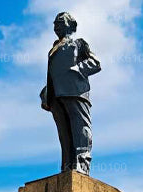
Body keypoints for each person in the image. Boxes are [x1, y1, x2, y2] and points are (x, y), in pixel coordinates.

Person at [40, 12, 101, 174]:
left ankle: (82, 166)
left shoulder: (78, 44)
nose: (56, 26)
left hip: (76, 92)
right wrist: (47, 91)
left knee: (80, 130)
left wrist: (77, 70)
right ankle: (67, 167)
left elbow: (95, 62)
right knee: (64, 134)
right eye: (55, 23)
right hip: (57, 96)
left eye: (60, 22)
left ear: (70, 25)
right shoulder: (52, 50)